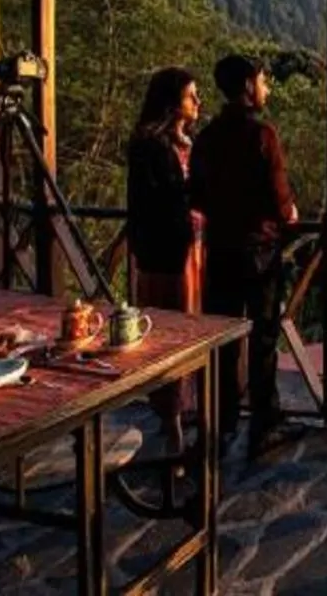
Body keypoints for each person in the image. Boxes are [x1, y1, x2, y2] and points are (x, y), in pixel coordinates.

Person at [190, 54, 301, 460]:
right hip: (259, 254)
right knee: (263, 339)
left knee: (223, 343)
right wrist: (289, 215)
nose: (267, 88)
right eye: (263, 81)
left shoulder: (207, 138)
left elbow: (196, 196)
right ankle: (263, 425)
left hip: (220, 252)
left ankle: (220, 426)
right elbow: (279, 199)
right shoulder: (262, 136)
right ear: (249, 86)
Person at [126, 67, 205, 463]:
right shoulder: (152, 148)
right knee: (172, 337)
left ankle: (180, 416)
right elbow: (165, 203)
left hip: (185, 253)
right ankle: (173, 428)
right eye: (192, 95)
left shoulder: (171, 143)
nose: (198, 102)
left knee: (183, 334)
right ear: (173, 101)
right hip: (170, 257)